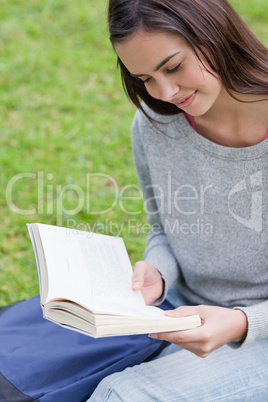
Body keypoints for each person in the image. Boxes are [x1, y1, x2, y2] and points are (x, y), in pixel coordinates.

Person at [89, 0, 268, 400]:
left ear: (215, 34)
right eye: (145, 77)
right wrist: (158, 270)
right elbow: (165, 228)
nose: (165, 92)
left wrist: (241, 322)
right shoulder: (155, 125)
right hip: (180, 312)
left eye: (173, 66)